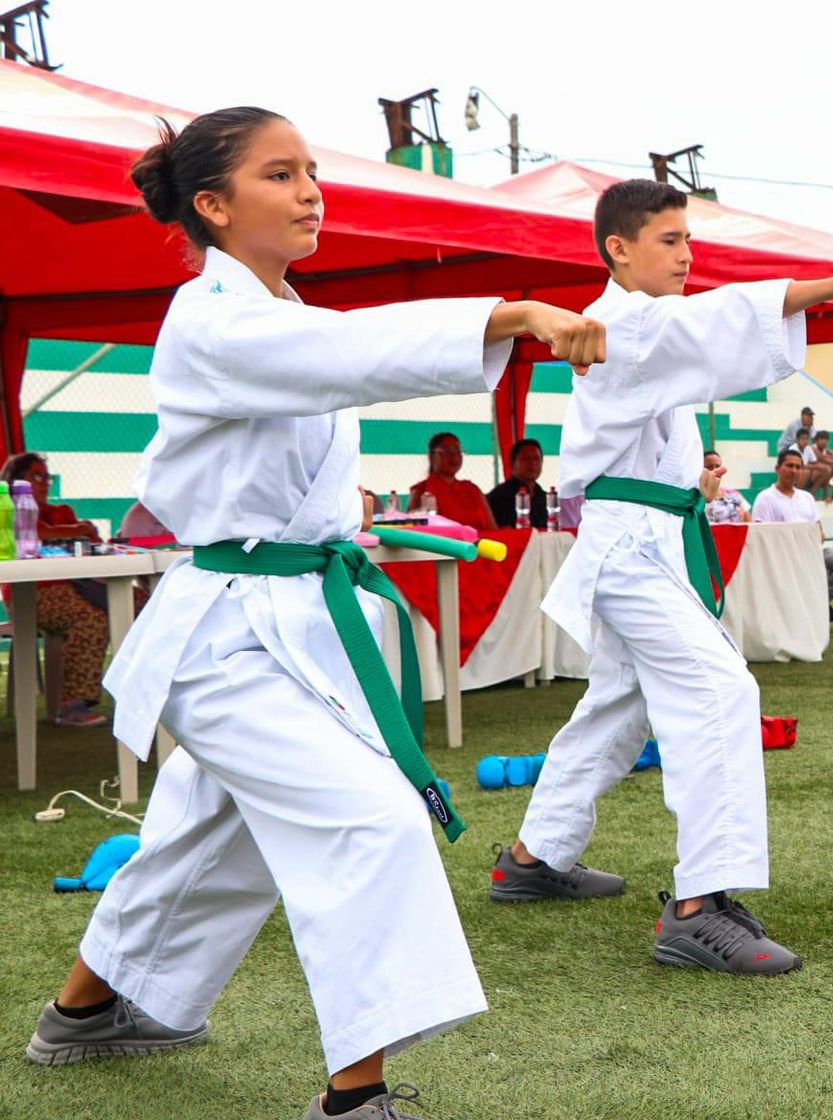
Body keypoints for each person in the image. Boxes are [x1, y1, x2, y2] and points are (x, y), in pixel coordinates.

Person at [23, 107, 607, 1120]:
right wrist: (510, 315)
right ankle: (354, 1098)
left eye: (311, 173)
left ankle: (84, 1012)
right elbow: (350, 353)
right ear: (213, 206)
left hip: (290, 625)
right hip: (227, 638)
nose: (309, 192)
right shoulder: (213, 319)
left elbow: (327, 361)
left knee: (208, 833)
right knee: (372, 821)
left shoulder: (280, 314)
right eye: (280, 174)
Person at [493, 178, 833, 974]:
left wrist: (692, 480)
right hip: (632, 551)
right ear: (619, 249)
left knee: (617, 707)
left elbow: (668, 392)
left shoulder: (637, 328)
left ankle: (534, 856)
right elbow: (724, 319)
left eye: (688, 239)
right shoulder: (626, 323)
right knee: (721, 691)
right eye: (670, 240)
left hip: (641, 543)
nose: (687, 255)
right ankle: (699, 906)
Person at [0, 453, 148, 728]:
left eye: (47, 477)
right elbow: (36, 532)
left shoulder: (62, 512)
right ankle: (72, 705)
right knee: (90, 618)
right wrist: (77, 529)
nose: (45, 483)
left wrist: (80, 531)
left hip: (80, 584)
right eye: (36, 476)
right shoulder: (9, 510)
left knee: (143, 603)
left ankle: (146, 692)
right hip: (33, 594)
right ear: (15, 481)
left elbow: (92, 542)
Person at [753, 448, 833, 604]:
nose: (794, 471)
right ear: (777, 468)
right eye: (789, 466)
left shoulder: (806, 497)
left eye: (798, 467)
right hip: (783, 556)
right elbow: (761, 537)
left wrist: (815, 539)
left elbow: (819, 532)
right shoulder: (765, 498)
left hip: (811, 551)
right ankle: (815, 602)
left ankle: (819, 599)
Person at [406, 431, 495, 531]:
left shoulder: (472, 489)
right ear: (431, 456)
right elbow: (414, 531)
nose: (454, 456)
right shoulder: (422, 491)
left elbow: (492, 528)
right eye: (447, 451)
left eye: (457, 450)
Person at [485, 437, 550, 530]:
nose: (532, 463)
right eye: (525, 458)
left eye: (536, 458)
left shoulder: (544, 497)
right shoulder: (499, 497)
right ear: (512, 464)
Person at [702, 449, 751, 523]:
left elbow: (748, 522)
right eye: (710, 467)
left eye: (717, 466)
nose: (715, 470)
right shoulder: (697, 500)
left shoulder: (733, 494)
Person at [802, 429, 833, 500]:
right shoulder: (812, 448)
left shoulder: (826, 450)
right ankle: (816, 492)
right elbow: (823, 458)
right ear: (816, 441)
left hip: (822, 478)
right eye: (821, 439)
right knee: (828, 467)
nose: (824, 441)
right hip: (810, 478)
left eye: (826, 439)